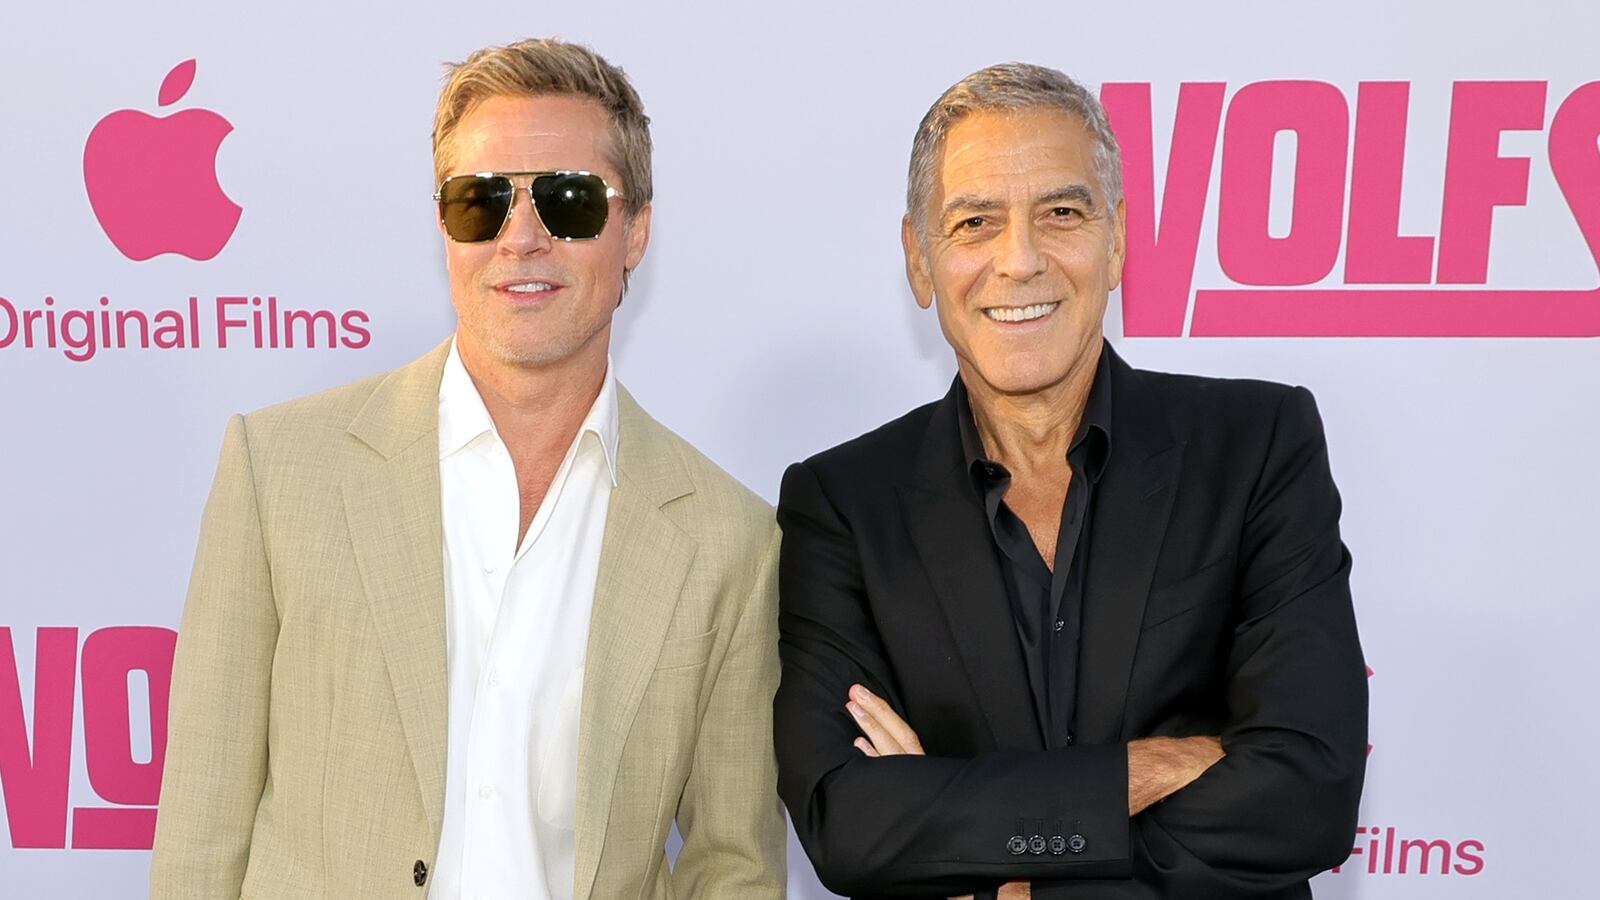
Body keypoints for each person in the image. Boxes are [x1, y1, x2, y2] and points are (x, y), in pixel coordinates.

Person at [150, 38, 785, 900]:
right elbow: (200, 836)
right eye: (481, 201)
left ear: (634, 229)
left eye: (566, 199)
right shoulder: (279, 472)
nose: (521, 238)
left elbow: (734, 867)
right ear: (444, 225)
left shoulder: (729, 539)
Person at [774, 62, 1367, 899]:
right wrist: (1151, 768)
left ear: (1117, 239)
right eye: (975, 222)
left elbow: (1309, 790)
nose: (1019, 261)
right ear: (919, 259)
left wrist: (996, 869)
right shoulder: (841, 505)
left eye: (1060, 213)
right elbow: (849, 821)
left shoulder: (1258, 446)